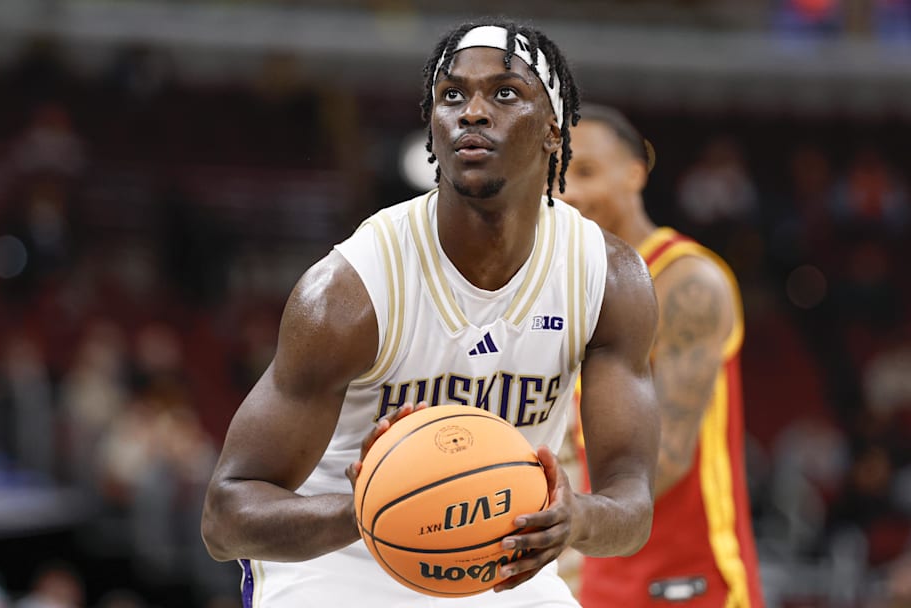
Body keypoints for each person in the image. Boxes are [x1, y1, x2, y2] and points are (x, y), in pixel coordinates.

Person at [201, 19, 662, 607]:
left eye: (504, 93)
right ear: (433, 128)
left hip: (498, 553)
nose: (471, 112)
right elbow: (225, 516)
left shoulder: (610, 279)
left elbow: (632, 506)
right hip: (341, 560)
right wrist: (375, 508)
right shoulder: (351, 291)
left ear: (553, 129)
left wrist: (576, 520)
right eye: (451, 95)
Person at [560, 104, 764, 607]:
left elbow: (666, 457)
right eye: (555, 174)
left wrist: (521, 500)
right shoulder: (560, 288)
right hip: (595, 572)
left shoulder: (687, 281)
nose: (569, 191)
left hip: (686, 574)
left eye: (586, 171)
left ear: (634, 174)